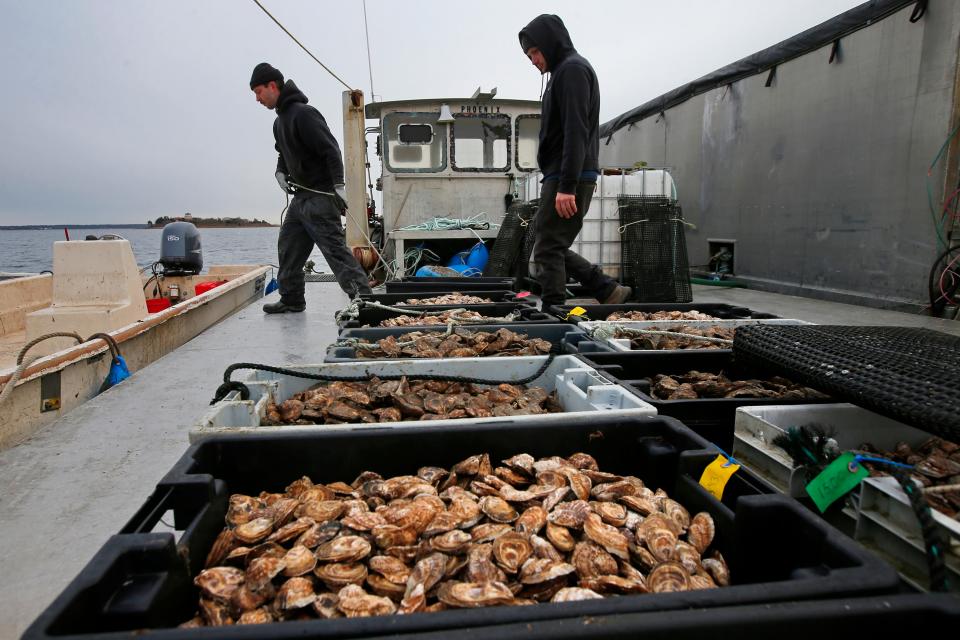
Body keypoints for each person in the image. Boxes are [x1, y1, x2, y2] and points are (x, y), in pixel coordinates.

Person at [518, 16, 632, 309]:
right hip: (563, 174)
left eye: (535, 53)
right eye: (529, 56)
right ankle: (606, 289)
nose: (533, 61)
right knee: (550, 245)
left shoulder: (572, 71)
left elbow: (575, 130)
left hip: (569, 176)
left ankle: (555, 314)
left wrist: (567, 185)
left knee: (547, 248)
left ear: (548, 44)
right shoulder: (563, 72)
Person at [249, 62, 372, 313]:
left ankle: (365, 301)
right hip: (300, 199)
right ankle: (292, 298)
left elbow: (331, 149)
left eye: (258, 92)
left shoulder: (304, 114)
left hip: (321, 196)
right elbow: (283, 153)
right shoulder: (279, 122)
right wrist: (280, 171)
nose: (257, 99)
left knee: (335, 252)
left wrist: (338, 185)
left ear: (273, 86)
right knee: (288, 247)